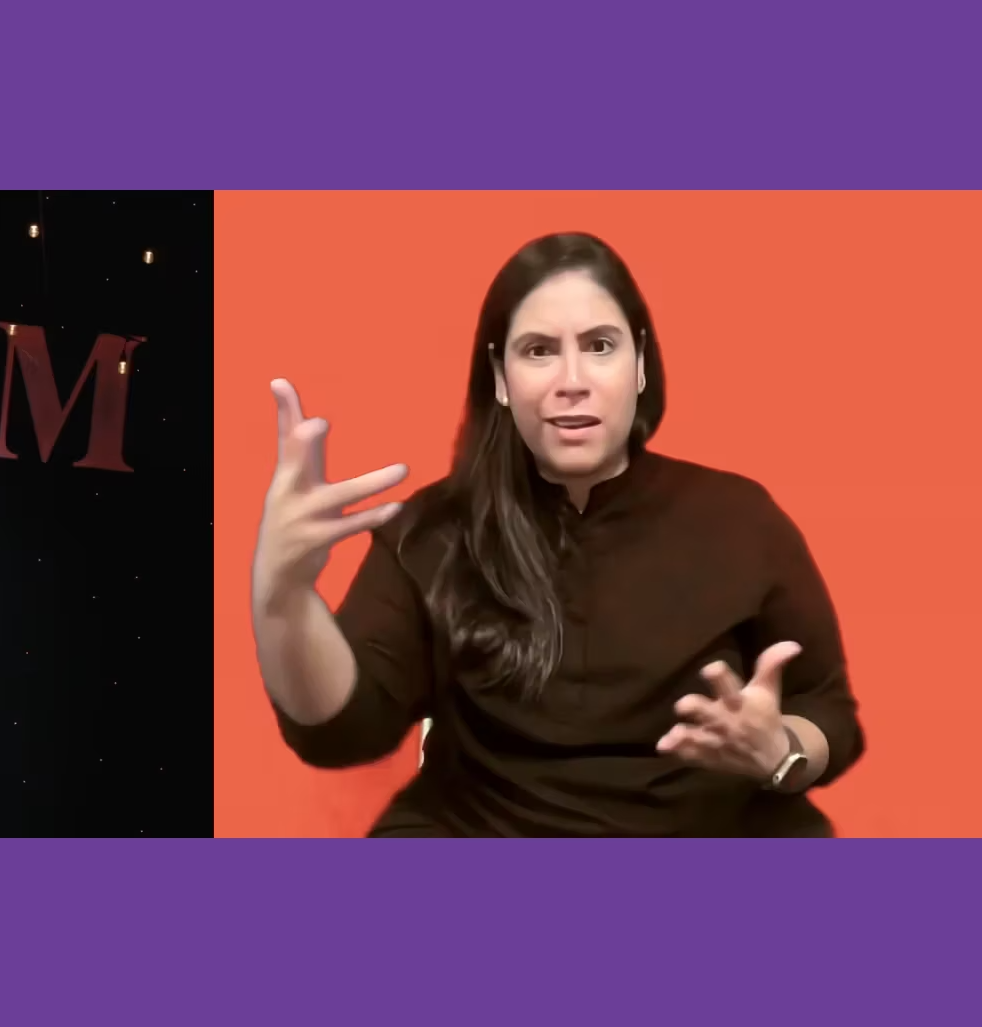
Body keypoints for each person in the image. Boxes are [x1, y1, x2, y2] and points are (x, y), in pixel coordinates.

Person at [251, 232, 865, 836]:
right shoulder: (432, 532)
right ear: (500, 377)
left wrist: (779, 752)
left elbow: (827, 709)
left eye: (600, 346)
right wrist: (284, 602)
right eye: (539, 351)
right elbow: (341, 733)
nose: (572, 380)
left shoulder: (741, 518)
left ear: (640, 364)